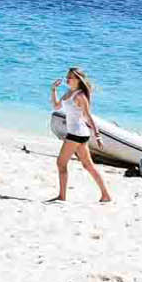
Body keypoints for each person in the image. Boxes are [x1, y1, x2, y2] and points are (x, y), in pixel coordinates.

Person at [50, 67, 111, 204]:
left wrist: (98, 135)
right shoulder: (68, 93)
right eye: (67, 76)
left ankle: (62, 196)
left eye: (70, 77)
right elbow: (56, 106)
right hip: (78, 133)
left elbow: (89, 117)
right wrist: (53, 90)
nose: (67, 79)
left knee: (61, 163)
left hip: (76, 134)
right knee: (88, 165)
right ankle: (105, 195)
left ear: (78, 79)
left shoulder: (80, 96)